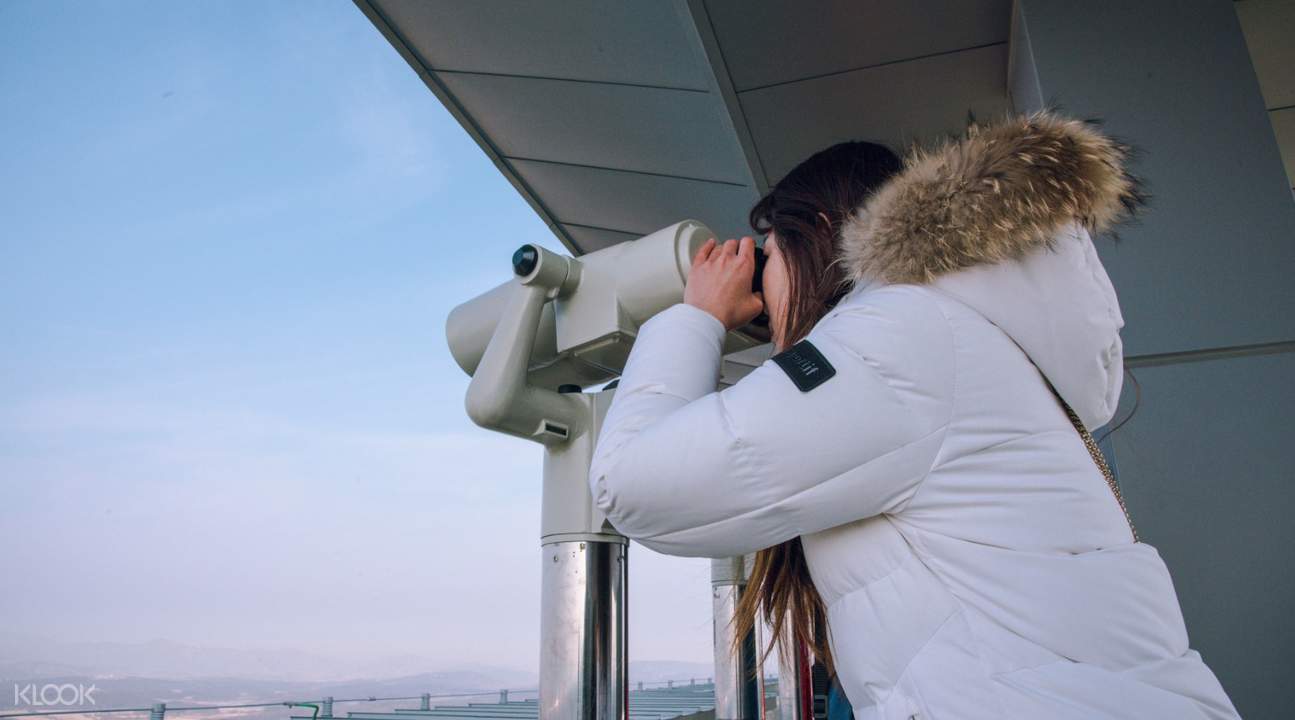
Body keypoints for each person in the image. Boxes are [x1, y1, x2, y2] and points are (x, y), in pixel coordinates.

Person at [586, 109, 1242, 719]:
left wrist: (694, 316)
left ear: (816, 231)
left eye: (768, 254)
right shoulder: (950, 336)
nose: (762, 286)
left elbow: (636, 485)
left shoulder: (899, 337)